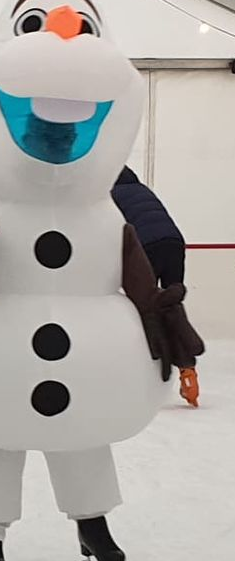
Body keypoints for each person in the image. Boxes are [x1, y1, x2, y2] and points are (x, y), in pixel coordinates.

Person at [112, 166, 200, 407]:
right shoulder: (143, 190)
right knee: (172, 306)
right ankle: (188, 373)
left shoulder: (111, 198)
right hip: (174, 243)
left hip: (146, 247)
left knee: (146, 311)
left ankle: (148, 370)